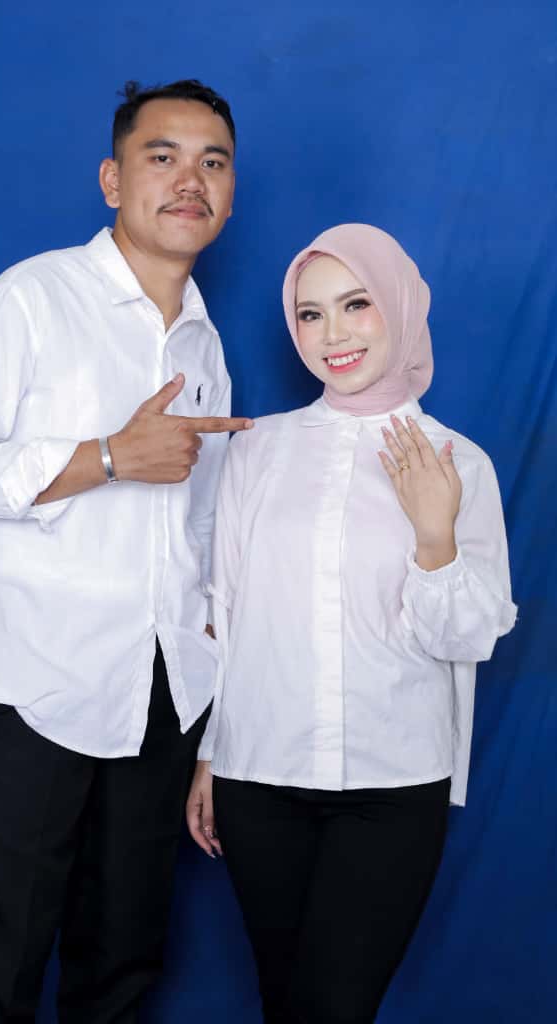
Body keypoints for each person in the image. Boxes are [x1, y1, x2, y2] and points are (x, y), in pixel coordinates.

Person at [0, 78, 253, 1023]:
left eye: (213, 163)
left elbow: (203, 535)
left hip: (162, 698)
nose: (190, 180)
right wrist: (107, 456)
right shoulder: (31, 300)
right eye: (162, 156)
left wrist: (211, 707)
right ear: (112, 180)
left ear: (230, 196)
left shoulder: (206, 346)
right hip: (38, 688)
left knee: (122, 967)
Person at [186, 223, 517, 1023]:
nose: (332, 334)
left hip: (393, 783)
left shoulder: (459, 463)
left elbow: (468, 638)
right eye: (310, 314)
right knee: (283, 1002)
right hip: (258, 777)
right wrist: (209, 755)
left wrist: (434, 537)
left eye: (355, 304)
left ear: (398, 305)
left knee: (333, 1009)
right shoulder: (257, 451)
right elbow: (225, 611)